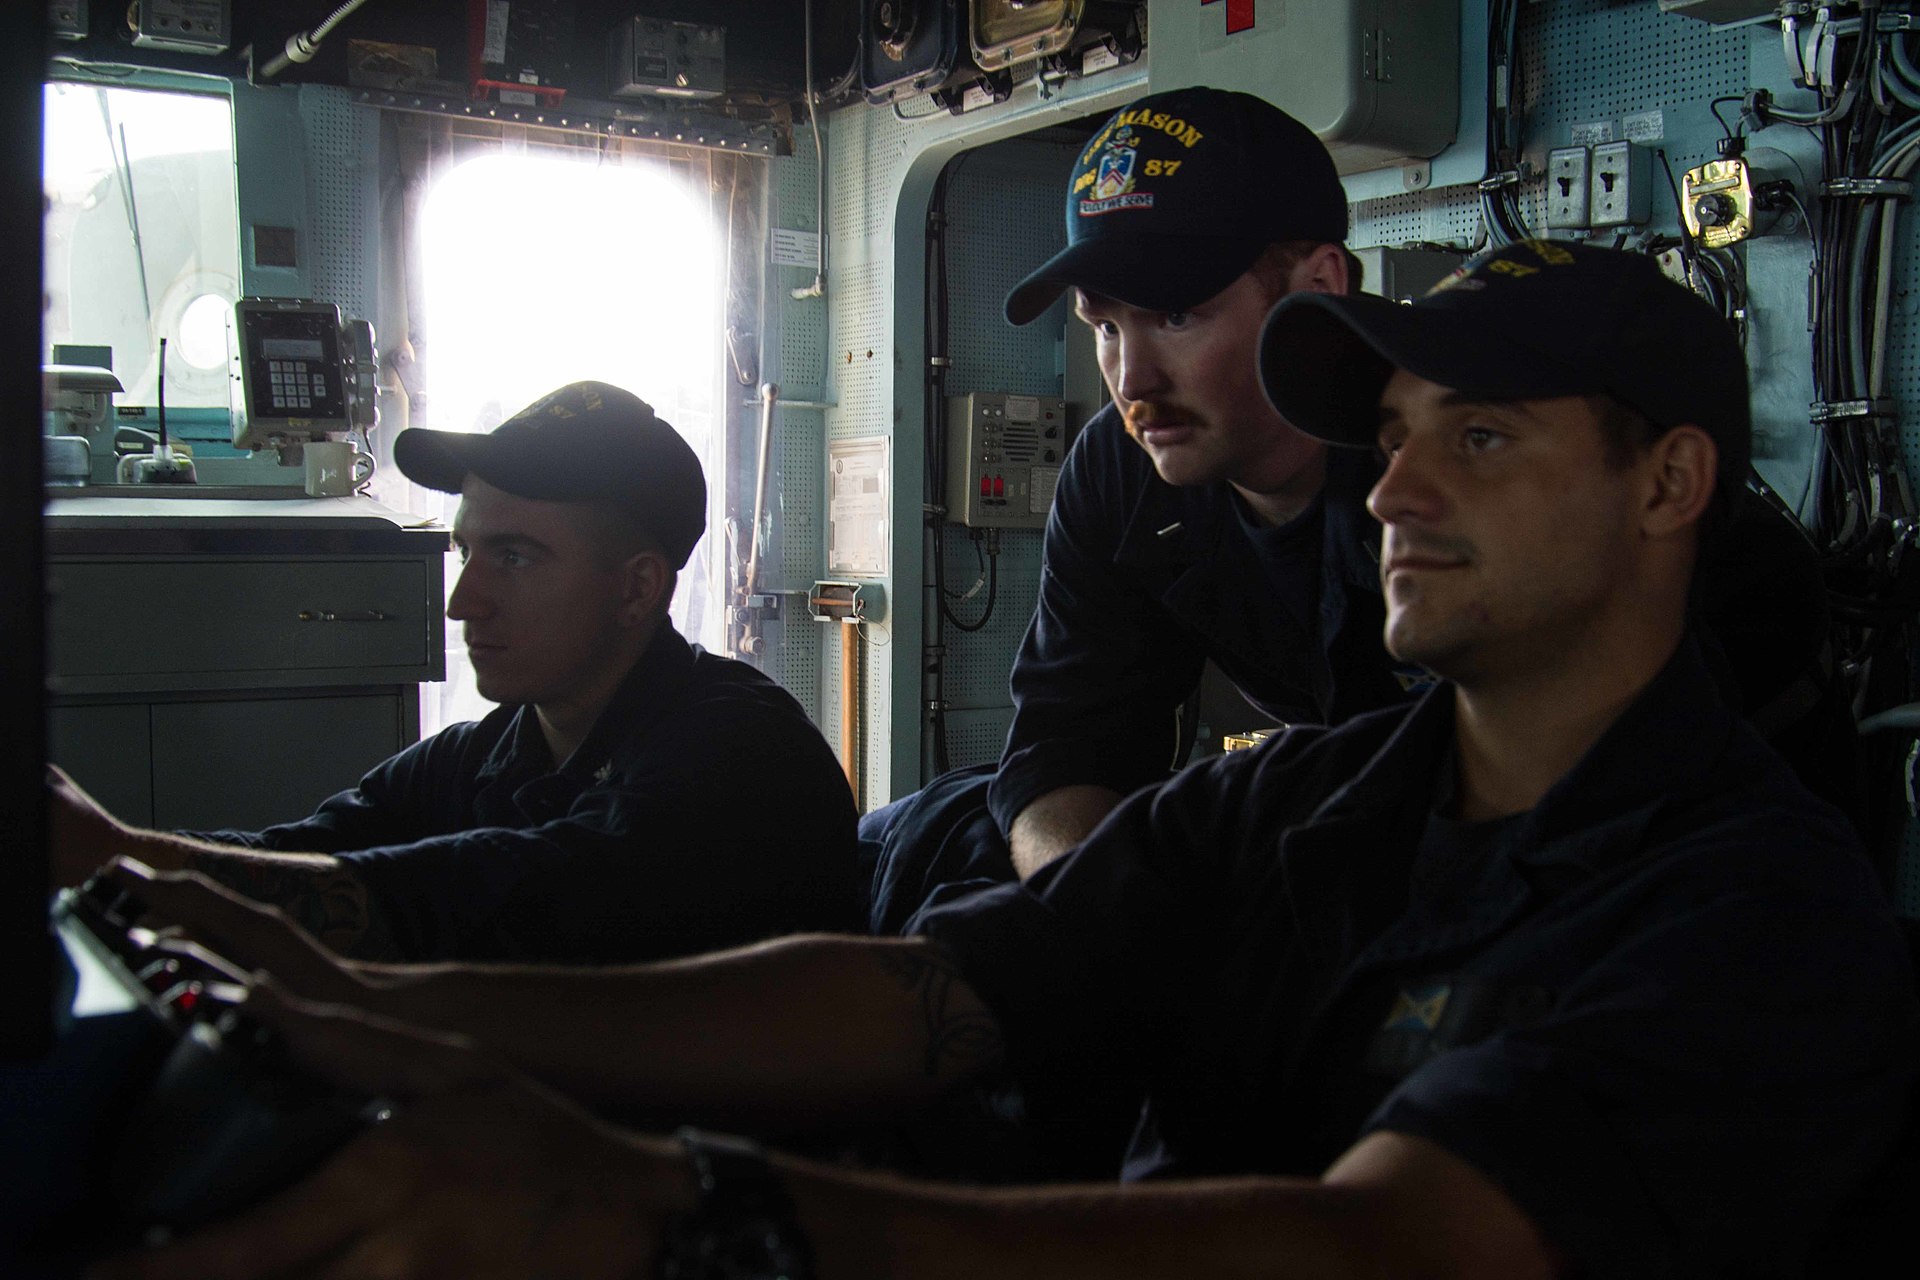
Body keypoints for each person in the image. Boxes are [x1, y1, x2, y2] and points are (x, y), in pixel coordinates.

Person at [91, 245, 1916, 1280]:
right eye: (1397, 435)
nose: (1398, 489)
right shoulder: (1302, 799)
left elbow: (1387, 1253)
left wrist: (671, 1209)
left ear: (1670, 484)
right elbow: (922, 998)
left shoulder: (1760, 909)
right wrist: (393, 1028)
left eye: (1486, 438)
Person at [868, 86, 1847, 937]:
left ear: (1315, 285)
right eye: (1104, 325)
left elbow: (1561, 813)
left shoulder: (1449, 487)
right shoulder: (1122, 475)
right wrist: (1103, 932)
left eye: (1176, 315)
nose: (1131, 378)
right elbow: (1063, 756)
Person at [48, 381, 860, 964]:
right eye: (468, 552)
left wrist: (117, 857)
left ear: (638, 586)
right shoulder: (486, 754)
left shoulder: (739, 755)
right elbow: (303, 855)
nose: (463, 601)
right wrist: (114, 855)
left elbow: (502, 900)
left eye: (514, 557)